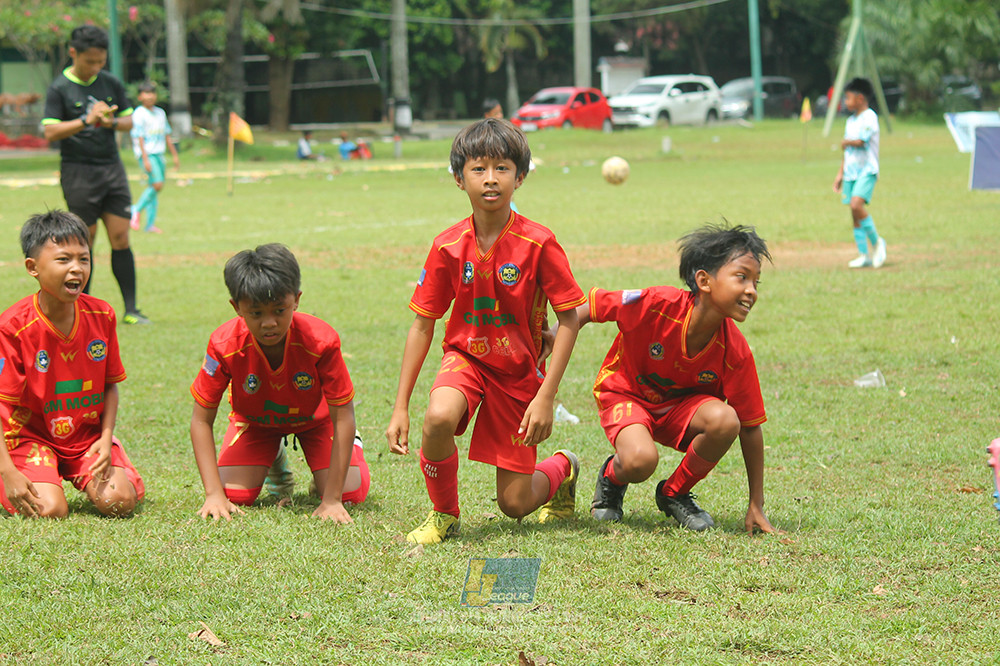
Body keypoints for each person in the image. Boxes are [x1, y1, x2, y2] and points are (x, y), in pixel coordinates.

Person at [386, 118, 585, 545]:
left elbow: (570, 318)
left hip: (518, 374)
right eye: (478, 168)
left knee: (514, 504)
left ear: (521, 176)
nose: (490, 179)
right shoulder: (446, 245)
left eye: (502, 168)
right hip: (467, 358)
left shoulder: (539, 243)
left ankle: (562, 467)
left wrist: (545, 396)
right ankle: (444, 515)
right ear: (460, 179)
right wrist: (401, 406)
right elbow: (424, 324)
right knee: (438, 416)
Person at [572, 223, 778, 534]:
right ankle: (612, 479)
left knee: (726, 420)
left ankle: (674, 492)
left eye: (756, 282)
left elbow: (750, 428)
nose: (752, 290)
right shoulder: (657, 304)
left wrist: (756, 504)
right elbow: (591, 307)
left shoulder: (735, 351)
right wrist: (552, 335)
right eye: (742, 277)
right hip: (626, 395)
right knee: (640, 460)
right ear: (703, 281)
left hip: (678, 412)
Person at [189, 243, 369, 522]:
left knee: (350, 494)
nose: (269, 323)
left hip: (317, 422)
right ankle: (274, 457)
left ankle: (350, 449)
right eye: (256, 313)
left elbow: (344, 413)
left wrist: (332, 500)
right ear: (236, 307)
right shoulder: (223, 344)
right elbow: (201, 420)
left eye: (279, 310)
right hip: (255, 424)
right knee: (234, 495)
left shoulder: (321, 341)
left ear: (296, 300)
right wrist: (213, 494)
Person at [0, 210, 145, 518]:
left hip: (84, 438)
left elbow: (110, 386)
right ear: (32, 267)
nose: (76, 269)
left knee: (119, 502)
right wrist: (7, 471)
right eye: (63, 260)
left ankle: (113, 462)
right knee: (50, 509)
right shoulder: (12, 327)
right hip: (31, 437)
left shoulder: (101, 315)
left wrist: (105, 441)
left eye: (84, 259)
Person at [41, 25, 150, 325]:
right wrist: (84, 120)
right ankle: (81, 310)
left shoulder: (110, 82)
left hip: (111, 169)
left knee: (120, 236)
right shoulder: (59, 88)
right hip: (79, 172)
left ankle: (131, 310)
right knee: (84, 242)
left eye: (100, 61)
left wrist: (110, 121)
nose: (96, 68)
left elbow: (129, 122)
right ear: (73, 53)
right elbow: (50, 130)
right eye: (90, 61)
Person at [833, 77, 887, 269]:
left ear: (861, 98)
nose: (846, 102)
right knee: (854, 213)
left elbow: (862, 141)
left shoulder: (869, 117)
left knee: (857, 205)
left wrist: (845, 142)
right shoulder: (850, 121)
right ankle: (864, 255)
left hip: (867, 170)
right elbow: (847, 152)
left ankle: (877, 243)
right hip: (851, 172)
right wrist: (840, 174)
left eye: (848, 98)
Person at [129, 81, 180, 234]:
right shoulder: (139, 113)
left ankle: (149, 224)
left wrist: (175, 156)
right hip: (148, 154)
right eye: (146, 93)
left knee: (154, 188)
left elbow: (167, 135)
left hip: (159, 154)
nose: (150, 96)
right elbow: (139, 138)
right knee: (157, 184)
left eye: (152, 93)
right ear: (139, 96)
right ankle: (136, 209)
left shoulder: (160, 113)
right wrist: (144, 159)